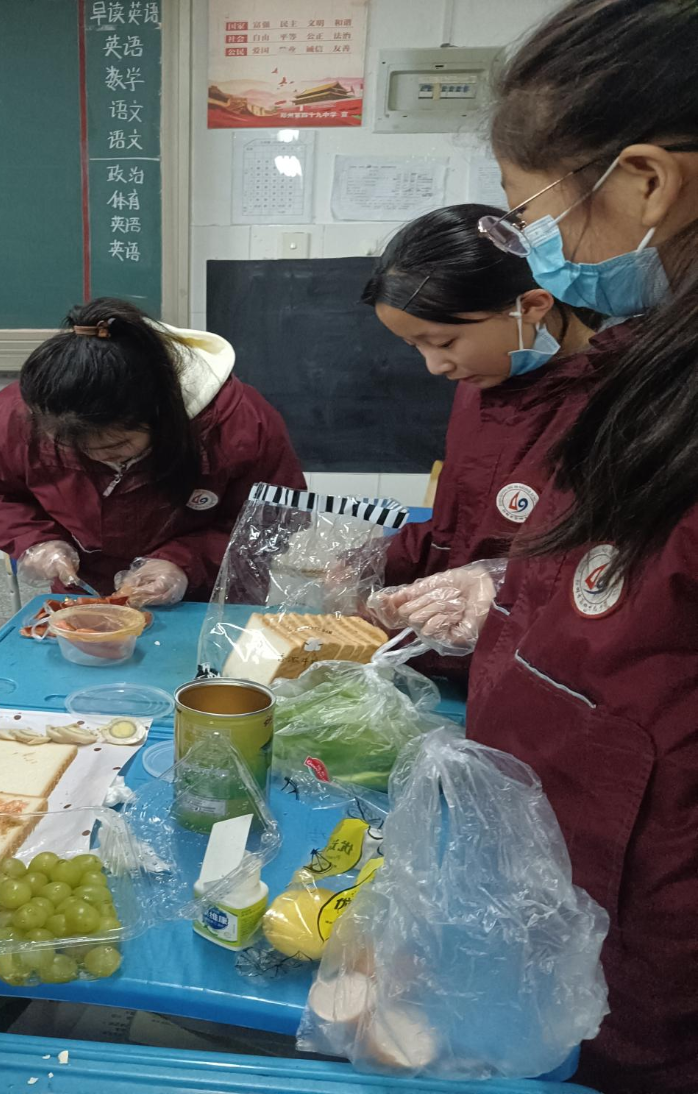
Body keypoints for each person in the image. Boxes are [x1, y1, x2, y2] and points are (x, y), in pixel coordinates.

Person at [378, 3, 698, 1090]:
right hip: (568, 848)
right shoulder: (650, 365)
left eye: (535, 212)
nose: (546, 250)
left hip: (648, 884)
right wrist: (503, 586)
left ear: (646, 182)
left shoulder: (622, 381)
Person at [362, 204, 596, 678]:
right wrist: (372, 565)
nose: (435, 366)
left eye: (444, 343)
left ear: (532, 306)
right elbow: (456, 526)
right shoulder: (483, 383)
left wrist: (502, 583)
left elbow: (605, 569)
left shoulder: (612, 403)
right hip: (463, 658)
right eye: (415, 347)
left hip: (541, 666)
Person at [0, 298, 305, 605]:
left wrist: (182, 563)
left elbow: (272, 521)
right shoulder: (20, 415)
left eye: (115, 447)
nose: (98, 459)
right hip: (86, 590)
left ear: (163, 414)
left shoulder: (237, 424)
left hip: (207, 595)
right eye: (71, 448)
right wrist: (36, 542)